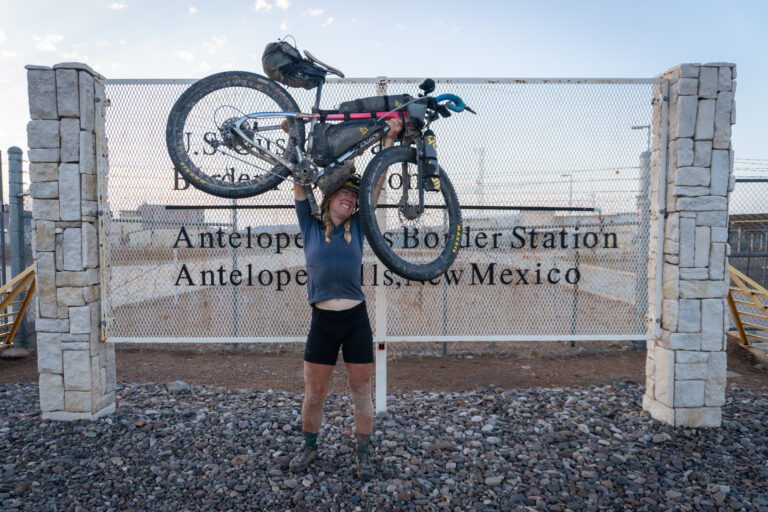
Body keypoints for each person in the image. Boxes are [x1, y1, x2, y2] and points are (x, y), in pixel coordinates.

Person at [289, 118, 403, 481]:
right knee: (314, 395)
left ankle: (363, 455)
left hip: (355, 321)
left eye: (355, 197)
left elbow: (378, 186)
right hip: (322, 323)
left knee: (361, 391)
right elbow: (299, 181)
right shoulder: (309, 224)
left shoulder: (357, 226)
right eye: (346, 193)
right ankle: (308, 448)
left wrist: (389, 139)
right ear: (331, 196)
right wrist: (293, 138)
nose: (352, 199)